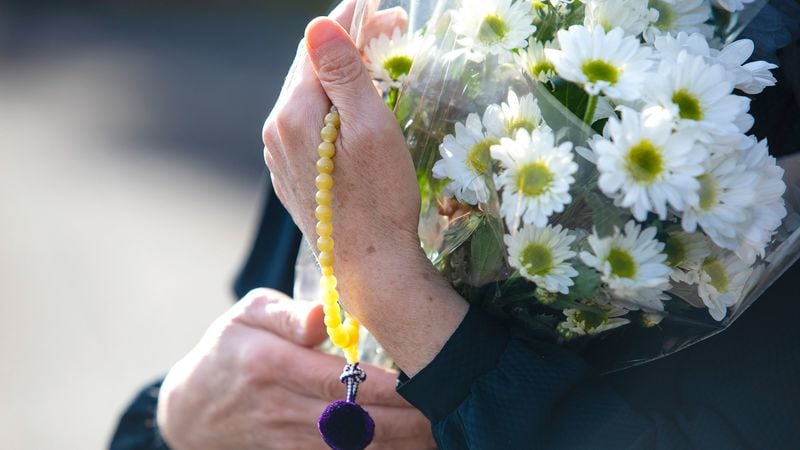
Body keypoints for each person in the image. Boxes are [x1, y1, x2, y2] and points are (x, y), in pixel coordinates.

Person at [112, 0, 800, 448]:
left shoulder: (761, 83)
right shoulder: (414, 21)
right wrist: (181, 418)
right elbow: (257, 343)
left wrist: (398, 294)